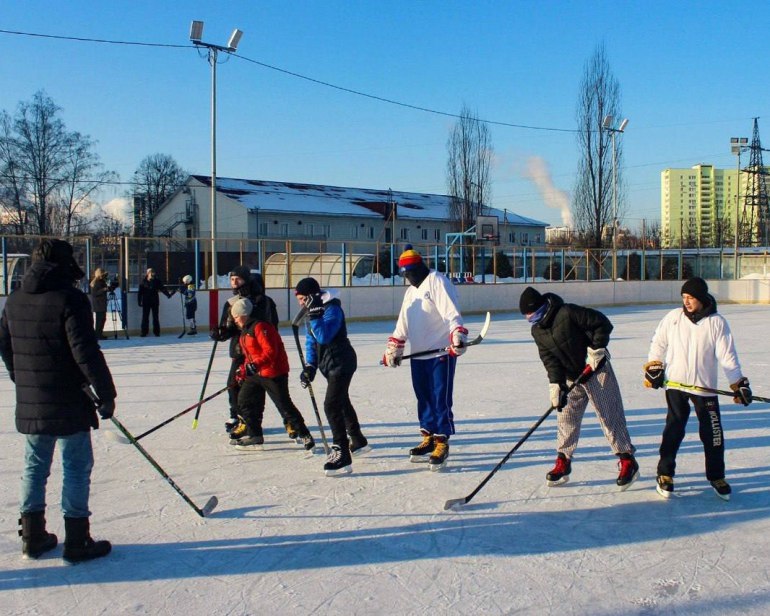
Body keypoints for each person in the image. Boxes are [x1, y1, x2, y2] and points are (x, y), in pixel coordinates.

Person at [0, 239, 116, 563]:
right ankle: (77, 541)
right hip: (69, 400)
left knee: (34, 467)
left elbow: (4, 344)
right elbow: (85, 352)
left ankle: (33, 537)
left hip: (33, 398)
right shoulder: (70, 298)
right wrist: (106, 393)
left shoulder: (16, 298)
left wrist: (21, 377)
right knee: (76, 467)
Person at [518, 286, 639, 490]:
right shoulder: (537, 331)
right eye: (528, 317)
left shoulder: (567, 312)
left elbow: (602, 323)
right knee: (566, 419)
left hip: (596, 371)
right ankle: (563, 461)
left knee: (609, 416)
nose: (532, 319)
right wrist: (556, 384)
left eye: (533, 314)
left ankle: (627, 460)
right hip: (571, 378)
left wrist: (597, 349)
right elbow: (549, 359)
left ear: (542, 307)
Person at [645, 277, 751, 501]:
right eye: (684, 297)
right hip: (675, 384)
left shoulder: (717, 322)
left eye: (691, 298)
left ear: (701, 298)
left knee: (713, 433)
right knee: (674, 429)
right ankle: (665, 474)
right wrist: (654, 366)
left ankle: (717, 476)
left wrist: (738, 383)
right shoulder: (673, 317)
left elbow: (728, 357)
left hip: (704, 387)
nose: (686, 302)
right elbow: (658, 343)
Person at [382, 245, 468, 471]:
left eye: (409, 273)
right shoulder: (410, 292)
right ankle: (428, 436)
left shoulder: (437, 281)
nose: (407, 278)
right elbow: (403, 323)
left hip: (440, 353)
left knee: (440, 397)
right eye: (404, 274)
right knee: (424, 397)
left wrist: (457, 334)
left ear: (418, 268)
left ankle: (442, 440)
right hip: (419, 355)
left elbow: (452, 313)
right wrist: (394, 347)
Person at [295, 277, 369, 477]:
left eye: (302, 299)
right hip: (329, 365)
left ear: (311, 296)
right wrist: (310, 366)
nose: (300, 303)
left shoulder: (332, 309)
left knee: (331, 405)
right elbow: (311, 341)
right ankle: (358, 440)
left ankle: (341, 452)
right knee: (341, 400)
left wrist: (315, 314)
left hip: (342, 362)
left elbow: (323, 336)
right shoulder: (313, 312)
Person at [228, 297, 315, 453]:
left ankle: (305, 434)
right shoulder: (245, 330)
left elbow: (271, 351)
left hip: (274, 372)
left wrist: (255, 365)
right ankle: (255, 435)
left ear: (244, 314)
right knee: (244, 400)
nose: (235, 320)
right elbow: (249, 355)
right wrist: (243, 368)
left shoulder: (261, 326)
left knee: (284, 405)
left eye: (236, 317)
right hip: (257, 373)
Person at [210, 266, 279, 435]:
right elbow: (228, 327)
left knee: (262, 388)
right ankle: (236, 416)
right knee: (233, 385)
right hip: (239, 351)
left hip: (258, 353)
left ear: (246, 280)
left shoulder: (263, 301)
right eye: (232, 279)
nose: (234, 283)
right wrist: (219, 333)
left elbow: (271, 325)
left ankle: (260, 420)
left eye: (238, 279)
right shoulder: (231, 303)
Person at [137, 267, 174, 337]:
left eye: (153, 273)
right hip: (146, 301)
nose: (152, 274)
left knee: (155, 317)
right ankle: (144, 332)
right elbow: (140, 292)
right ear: (148, 274)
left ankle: (156, 332)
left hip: (155, 301)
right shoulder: (143, 281)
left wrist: (168, 294)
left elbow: (162, 288)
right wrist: (139, 301)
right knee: (145, 317)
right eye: (151, 273)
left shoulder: (157, 281)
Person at [90, 268, 109, 340]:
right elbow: (94, 293)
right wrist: (103, 289)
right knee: (99, 320)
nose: (104, 276)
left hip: (101, 303)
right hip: (98, 304)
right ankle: (98, 334)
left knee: (103, 319)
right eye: (103, 274)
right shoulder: (96, 282)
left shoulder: (102, 281)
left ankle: (99, 333)